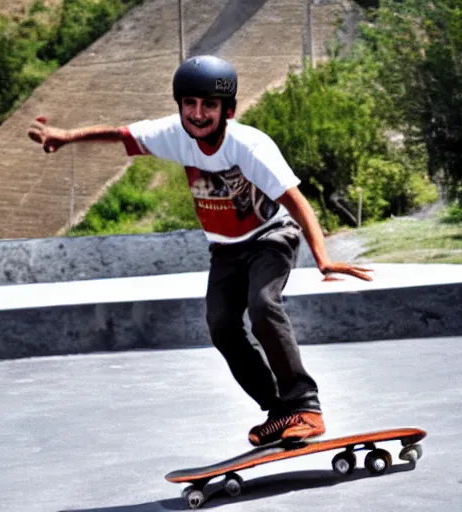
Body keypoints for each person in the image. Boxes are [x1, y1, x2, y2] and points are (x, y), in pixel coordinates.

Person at [28, 55, 372, 446]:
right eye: (190, 104)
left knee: (262, 306)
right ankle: (279, 411)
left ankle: (306, 407)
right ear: (180, 106)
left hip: (270, 236)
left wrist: (322, 258)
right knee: (221, 325)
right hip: (225, 250)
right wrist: (66, 136)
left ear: (229, 110)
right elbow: (120, 134)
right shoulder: (172, 133)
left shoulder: (250, 146)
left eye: (210, 105)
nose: (198, 114)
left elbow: (296, 201)